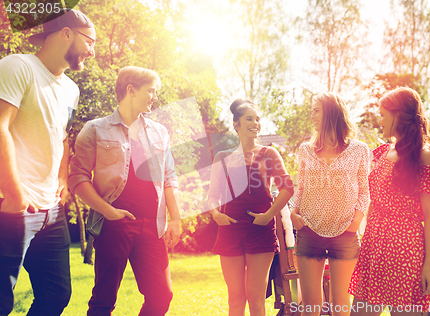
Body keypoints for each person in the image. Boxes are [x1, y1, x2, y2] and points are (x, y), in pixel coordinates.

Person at [0, 9, 95, 315]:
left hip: (50, 213)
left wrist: (63, 180)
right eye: (89, 41)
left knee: (56, 294)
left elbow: (62, 138)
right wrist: (14, 193)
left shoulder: (71, 89)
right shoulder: (18, 66)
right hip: (12, 207)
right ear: (66, 32)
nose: (92, 51)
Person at [68, 66, 181, 316]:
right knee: (104, 300)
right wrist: (108, 212)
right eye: (151, 91)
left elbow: (169, 176)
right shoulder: (96, 129)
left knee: (162, 295)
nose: (155, 96)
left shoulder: (159, 132)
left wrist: (175, 218)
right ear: (131, 90)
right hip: (114, 226)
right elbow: (77, 178)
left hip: (153, 227)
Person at [349, 87, 430, 315]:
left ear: (398, 115)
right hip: (373, 247)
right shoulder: (381, 152)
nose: (380, 120)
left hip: (405, 250)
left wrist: (429, 265)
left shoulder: (423, 156)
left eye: (384, 114)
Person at [207, 99, 294, 316]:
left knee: (256, 299)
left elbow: (287, 188)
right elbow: (212, 195)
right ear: (236, 124)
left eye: (258, 119)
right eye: (249, 119)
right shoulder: (222, 157)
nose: (256, 123)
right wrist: (216, 214)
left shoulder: (269, 154)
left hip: (260, 230)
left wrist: (268, 216)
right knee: (235, 298)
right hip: (230, 230)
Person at [291, 92, 370, 316]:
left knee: (339, 302)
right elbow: (302, 189)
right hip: (309, 230)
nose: (311, 116)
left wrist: (356, 220)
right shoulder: (305, 150)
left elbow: (364, 191)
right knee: (310, 304)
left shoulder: (359, 150)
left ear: (331, 113)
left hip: (345, 234)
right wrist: (292, 212)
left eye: (316, 110)